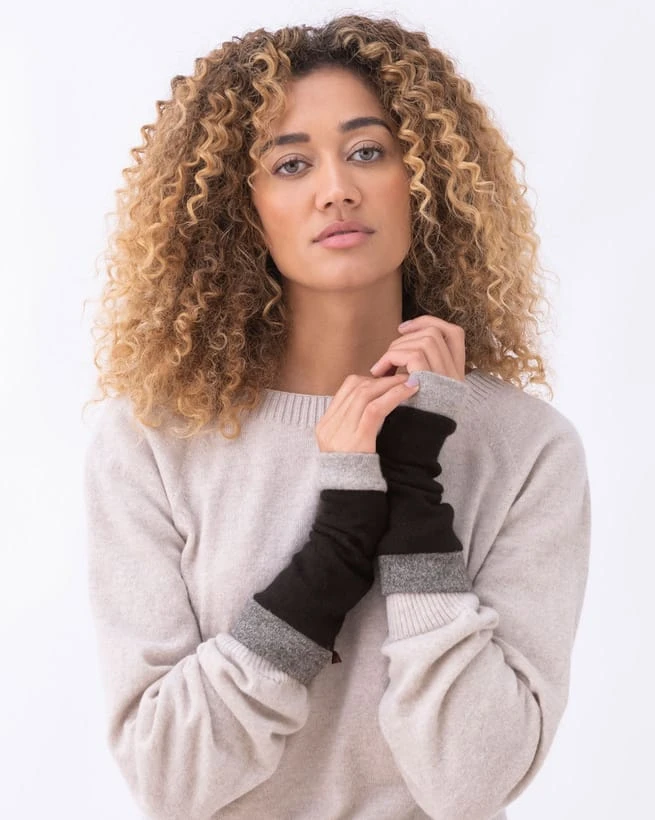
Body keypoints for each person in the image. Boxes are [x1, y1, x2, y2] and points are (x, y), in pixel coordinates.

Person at [82, 14, 591, 820]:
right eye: (290, 163)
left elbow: (473, 781)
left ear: (422, 176)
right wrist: (340, 538)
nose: (336, 189)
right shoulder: (152, 441)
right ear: (237, 207)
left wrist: (412, 486)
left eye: (367, 151)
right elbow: (169, 778)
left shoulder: (525, 446)